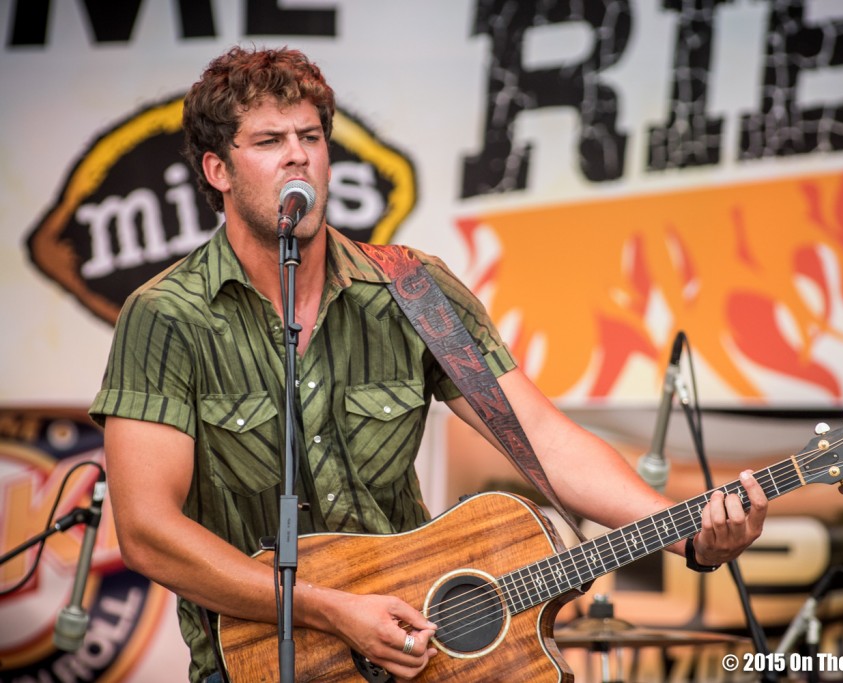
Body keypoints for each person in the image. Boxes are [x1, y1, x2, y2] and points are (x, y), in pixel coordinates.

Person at [89, 46, 767, 683]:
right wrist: (328, 608)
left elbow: (547, 442)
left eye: (311, 138)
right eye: (270, 142)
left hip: (421, 659)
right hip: (258, 662)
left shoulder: (414, 290)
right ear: (218, 170)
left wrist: (691, 532)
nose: (298, 156)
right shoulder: (167, 315)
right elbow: (148, 531)